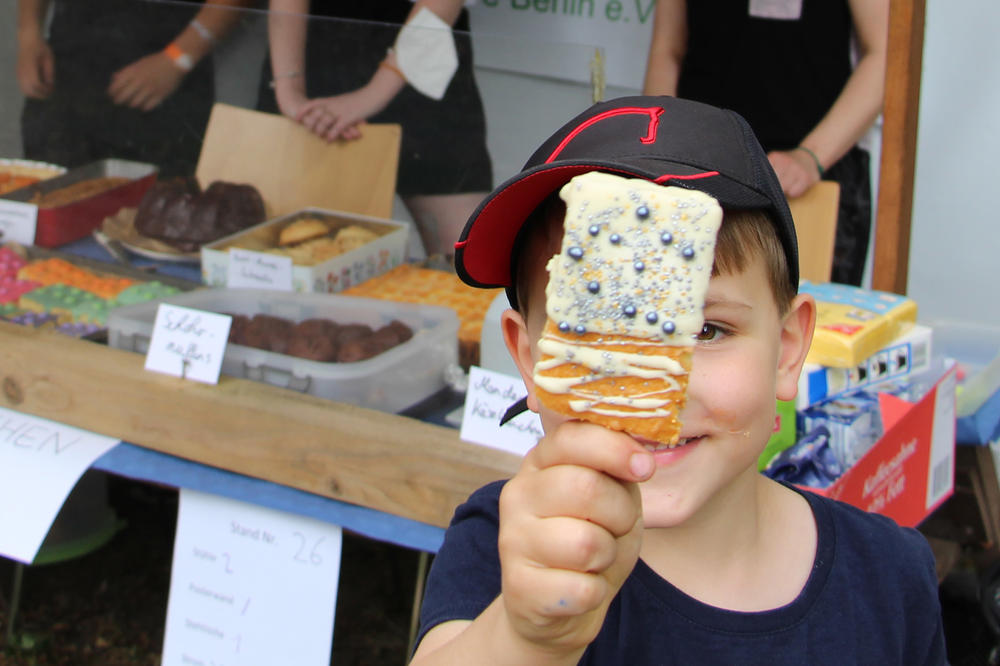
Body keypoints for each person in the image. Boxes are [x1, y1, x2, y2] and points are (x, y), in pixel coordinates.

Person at [409, 96, 946, 664]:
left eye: (708, 330)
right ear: (530, 359)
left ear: (787, 350)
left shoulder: (891, 575)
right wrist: (526, 638)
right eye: (588, 333)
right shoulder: (507, 547)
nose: (650, 384)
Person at [643, 0, 888, 286]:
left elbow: (886, 54)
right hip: (694, 169)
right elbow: (668, 51)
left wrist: (810, 157)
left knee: (804, 318)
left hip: (808, 175)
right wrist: (654, 153)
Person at [259, 0, 493, 261]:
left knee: (467, 259)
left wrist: (372, 95)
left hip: (424, 52)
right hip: (304, 53)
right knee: (294, 253)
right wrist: (289, 92)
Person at [16, 0, 252, 178]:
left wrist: (177, 59)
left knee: (157, 220)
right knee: (49, 206)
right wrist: (29, 33)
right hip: (68, 68)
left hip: (165, 77)